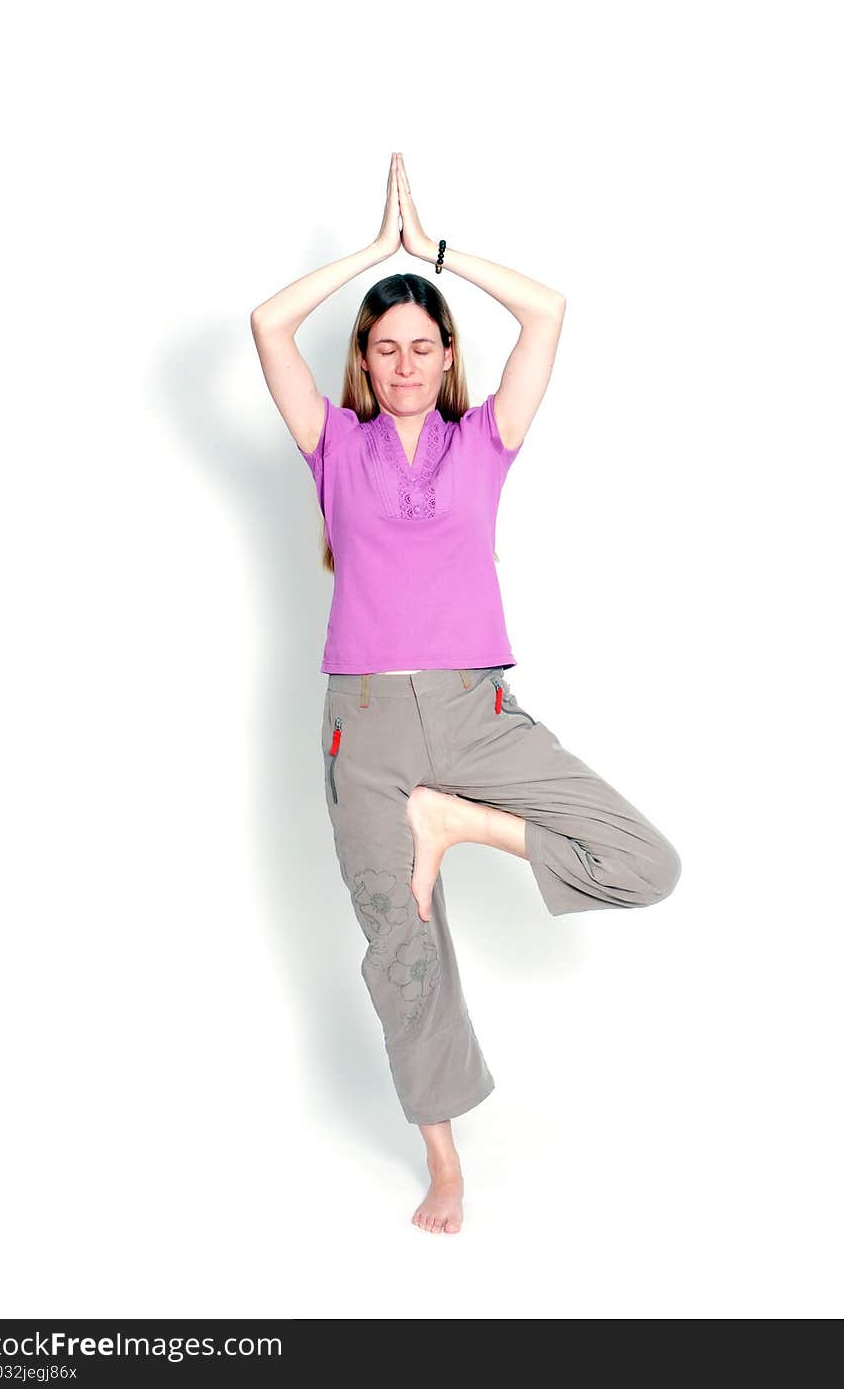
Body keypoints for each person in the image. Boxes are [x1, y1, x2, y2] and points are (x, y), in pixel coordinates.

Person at [249, 152, 681, 1235]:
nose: (402, 362)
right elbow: (264, 325)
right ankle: (444, 1165)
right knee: (401, 942)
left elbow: (548, 312)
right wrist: (368, 255)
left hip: (474, 714)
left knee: (643, 861)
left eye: (421, 344)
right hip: (365, 728)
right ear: (366, 358)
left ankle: (455, 822)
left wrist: (430, 252)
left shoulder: (484, 440)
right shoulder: (330, 446)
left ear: (446, 356)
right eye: (384, 346)